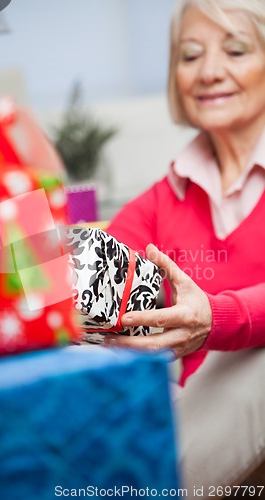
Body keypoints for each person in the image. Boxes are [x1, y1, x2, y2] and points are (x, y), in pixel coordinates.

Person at [105, 0, 265, 388]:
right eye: (191, 55)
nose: (209, 72)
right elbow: (86, 282)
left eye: (235, 50)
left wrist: (218, 316)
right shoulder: (160, 204)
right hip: (191, 418)